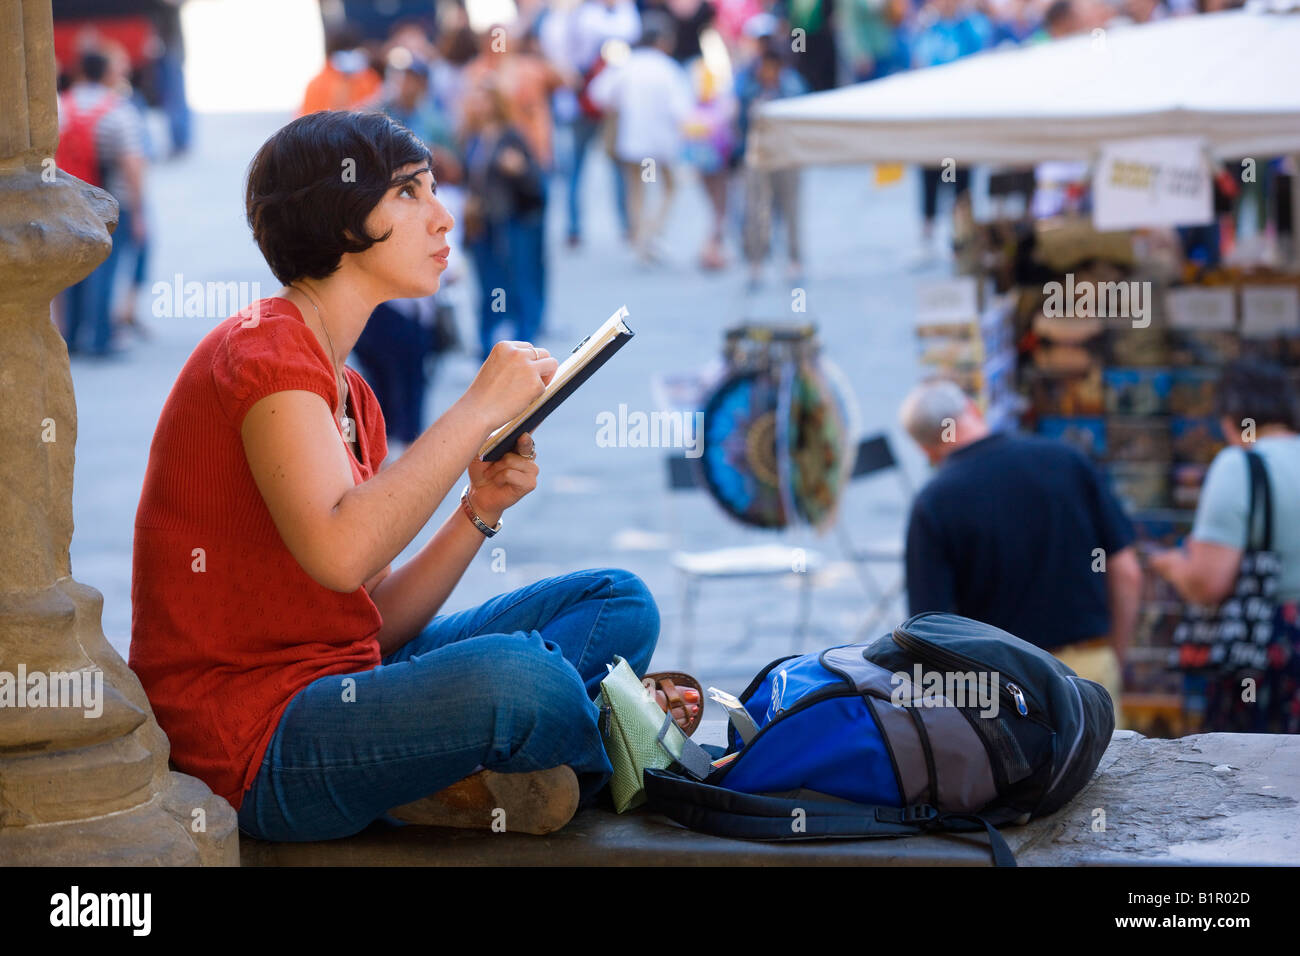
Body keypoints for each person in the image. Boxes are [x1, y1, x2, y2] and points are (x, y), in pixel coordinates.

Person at [128, 110, 699, 842]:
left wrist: (477, 511)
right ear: (337, 219)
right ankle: (570, 750)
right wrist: (476, 407)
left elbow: (370, 616)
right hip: (255, 741)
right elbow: (340, 553)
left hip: (348, 682)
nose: (443, 217)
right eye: (409, 193)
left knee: (619, 604)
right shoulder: (263, 353)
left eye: (435, 190)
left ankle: (468, 773)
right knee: (527, 680)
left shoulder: (352, 393)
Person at [899, 380, 1142, 724]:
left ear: (924, 449)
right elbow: (1127, 572)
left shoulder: (933, 504)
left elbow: (929, 633)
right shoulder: (1066, 460)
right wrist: (1112, 658)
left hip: (1004, 692)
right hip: (1087, 675)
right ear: (973, 409)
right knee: (1110, 776)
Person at [1150, 360, 1300, 734]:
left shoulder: (1241, 466)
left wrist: (1170, 564)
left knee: (1262, 778)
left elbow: (1207, 584)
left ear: (1232, 417)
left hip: (1271, 650)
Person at [55, 48, 148, 358]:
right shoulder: (119, 110)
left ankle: (73, 335)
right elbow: (131, 162)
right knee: (104, 270)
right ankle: (101, 338)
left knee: (73, 269)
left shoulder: (59, 107)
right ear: (106, 73)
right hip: (110, 202)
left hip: (67, 201)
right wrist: (138, 208)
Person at [588, 12, 696, 264]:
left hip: (634, 142)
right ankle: (651, 232)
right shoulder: (667, 69)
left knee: (636, 192)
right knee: (668, 188)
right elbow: (682, 110)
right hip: (660, 143)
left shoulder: (627, 65)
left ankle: (641, 238)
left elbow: (599, 94)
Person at [461, 80, 548, 360]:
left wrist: (519, 169)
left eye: (484, 99)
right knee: (489, 286)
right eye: (475, 99)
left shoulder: (512, 136)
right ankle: (488, 350)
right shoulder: (472, 138)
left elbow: (536, 181)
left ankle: (526, 347)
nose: (479, 105)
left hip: (512, 221)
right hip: (482, 223)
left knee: (519, 282)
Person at [735, 43, 807, 287]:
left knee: (790, 209)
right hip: (759, 156)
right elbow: (741, 118)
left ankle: (794, 260)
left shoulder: (791, 85)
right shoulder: (749, 84)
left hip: (787, 156)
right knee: (756, 211)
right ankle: (756, 262)